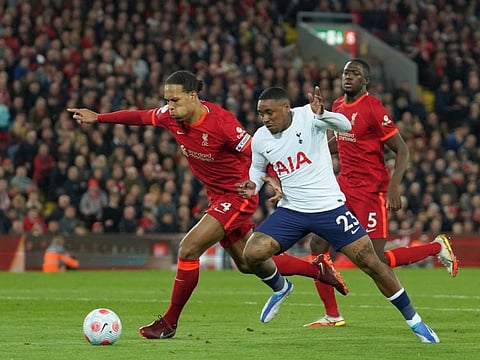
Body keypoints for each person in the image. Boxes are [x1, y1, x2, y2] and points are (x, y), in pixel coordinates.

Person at [66, 70, 347, 340]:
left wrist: (272, 178)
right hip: (216, 195)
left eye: (175, 100)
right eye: (166, 100)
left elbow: (256, 150)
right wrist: (99, 118)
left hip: (237, 195)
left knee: (188, 249)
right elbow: (140, 116)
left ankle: (169, 323)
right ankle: (313, 271)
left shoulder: (222, 124)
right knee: (248, 263)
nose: (169, 106)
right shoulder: (170, 117)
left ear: (193, 96)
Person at [236, 86, 440, 343]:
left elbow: (343, 125)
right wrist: (252, 184)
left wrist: (323, 114)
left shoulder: (309, 116)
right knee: (252, 254)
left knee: (372, 262)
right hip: (292, 210)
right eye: (260, 113)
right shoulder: (262, 137)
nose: (264, 118)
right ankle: (281, 288)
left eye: (269, 112)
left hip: (329, 208)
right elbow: (256, 167)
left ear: (286, 108)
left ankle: (416, 322)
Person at [304, 59, 458, 328]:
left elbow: (402, 150)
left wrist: (393, 187)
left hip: (370, 191)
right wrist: (310, 152)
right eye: (345, 72)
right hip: (343, 189)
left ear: (366, 81)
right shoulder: (339, 106)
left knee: (376, 261)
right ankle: (332, 315)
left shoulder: (374, 108)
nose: (348, 76)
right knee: (317, 245)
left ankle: (437, 247)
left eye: (355, 73)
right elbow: (339, 140)